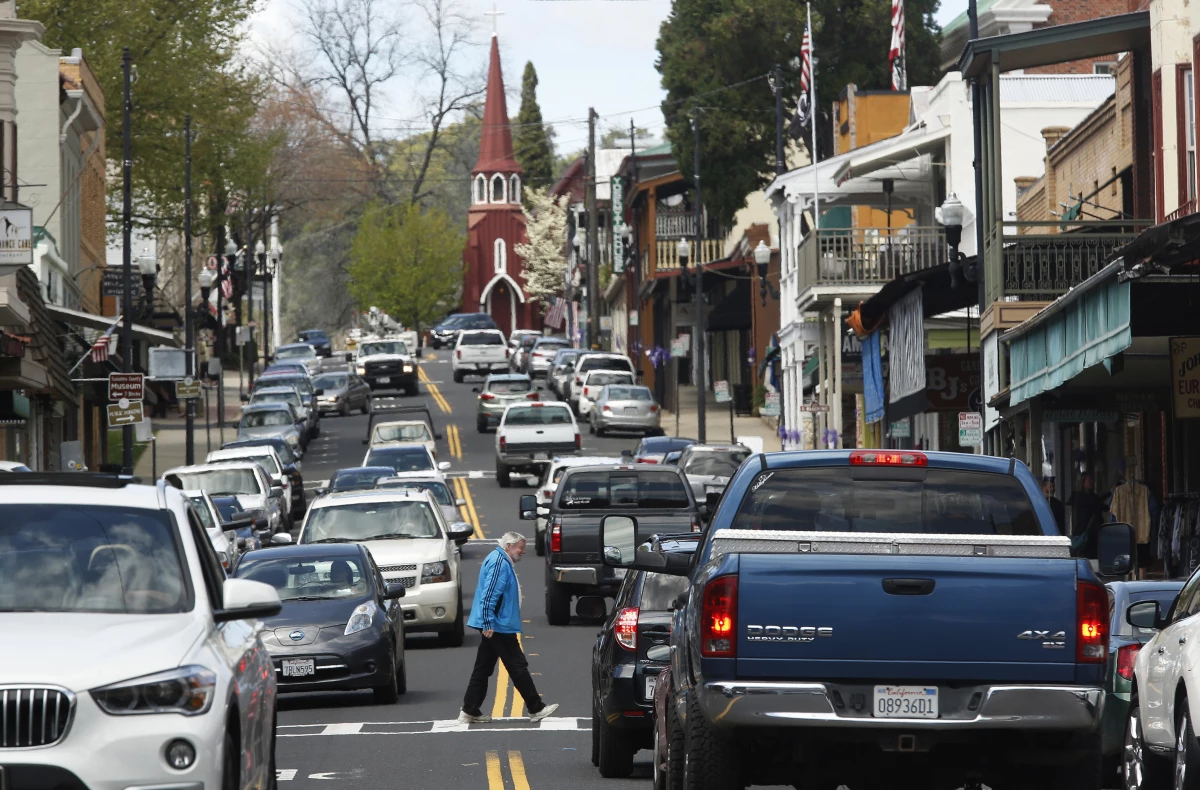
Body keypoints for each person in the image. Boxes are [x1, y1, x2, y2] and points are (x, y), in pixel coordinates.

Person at [459, 532, 558, 724]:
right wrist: (488, 623)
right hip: (498, 626)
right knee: (517, 666)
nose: (523, 551)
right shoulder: (499, 563)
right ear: (508, 546)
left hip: (497, 624)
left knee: (484, 668)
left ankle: (470, 710)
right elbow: (489, 595)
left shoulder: (500, 559)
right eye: (520, 548)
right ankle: (535, 708)